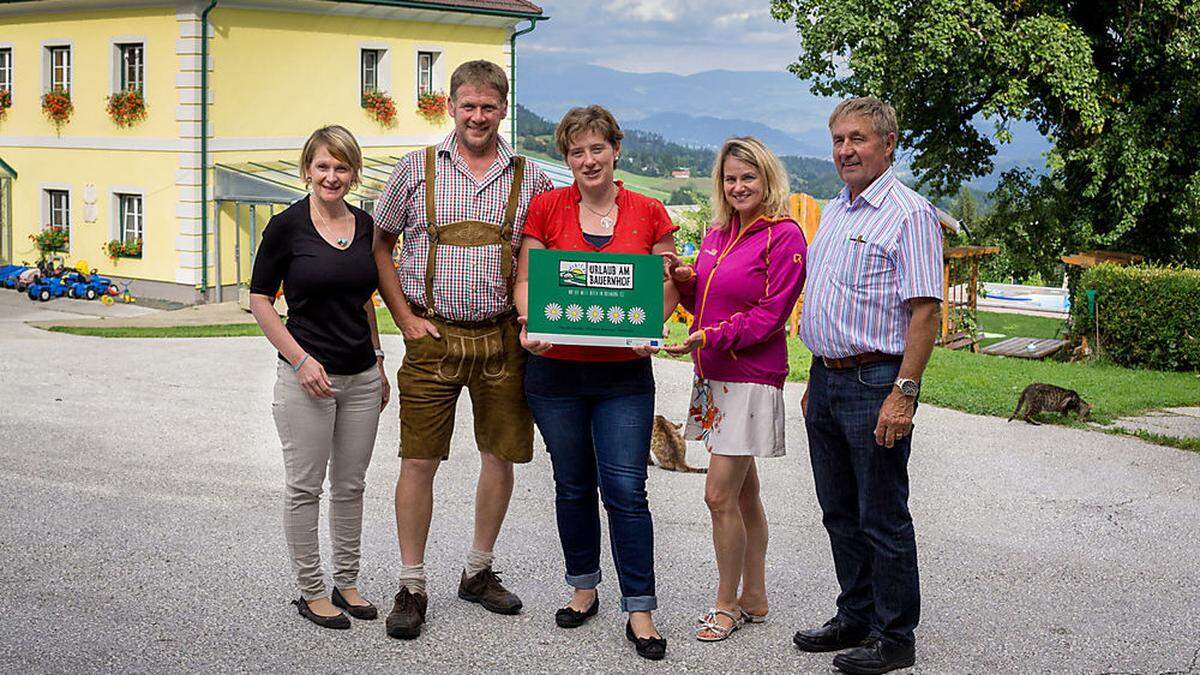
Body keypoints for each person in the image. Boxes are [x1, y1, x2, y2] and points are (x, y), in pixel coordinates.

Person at [371, 59, 553, 640]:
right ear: (451, 106)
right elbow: (379, 243)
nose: (478, 116)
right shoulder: (414, 170)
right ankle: (411, 583)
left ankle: (477, 571)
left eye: (489, 106)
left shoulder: (534, 180)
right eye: (468, 106)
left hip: (503, 336)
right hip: (433, 334)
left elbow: (547, 258)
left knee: (500, 456)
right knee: (418, 459)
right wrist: (402, 316)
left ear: (504, 108)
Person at [513, 105, 678, 661]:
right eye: (576, 151)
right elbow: (527, 282)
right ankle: (584, 587)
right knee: (573, 484)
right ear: (566, 158)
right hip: (554, 371)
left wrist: (651, 327)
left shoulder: (650, 211)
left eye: (597, 149)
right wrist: (529, 325)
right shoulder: (545, 208)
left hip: (623, 377)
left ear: (615, 150)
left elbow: (666, 283)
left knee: (627, 491)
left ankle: (641, 608)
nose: (588, 160)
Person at [793, 97, 943, 674]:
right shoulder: (835, 210)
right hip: (828, 380)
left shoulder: (909, 214)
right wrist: (817, 375)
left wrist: (903, 392)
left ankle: (894, 637)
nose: (845, 151)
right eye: (837, 140)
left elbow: (925, 313)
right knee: (838, 511)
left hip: (877, 378)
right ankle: (854, 615)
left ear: (887, 145)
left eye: (857, 139)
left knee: (881, 513)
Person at [664, 137, 807, 642]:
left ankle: (727, 605)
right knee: (744, 493)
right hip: (713, 376)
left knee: (718, 493)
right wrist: (682, 280)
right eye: (730, 178)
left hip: (750, 378)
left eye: (748, 177)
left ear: (767, 179)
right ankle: (755, 593)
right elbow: (702, 293)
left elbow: (771, 315)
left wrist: (712, 335)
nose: (738, 185)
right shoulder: (717, 233)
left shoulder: (784, 236)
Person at [249, 125, 389, 630]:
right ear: (307, 169)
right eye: (323, 166)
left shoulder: (366, 225)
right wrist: (301, 360)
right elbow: (260, 300)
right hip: (307, 377)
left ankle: (346, 582)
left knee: (351, 486)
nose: (332, 176)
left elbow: (363, 300)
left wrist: (377, 357)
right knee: (305, 487)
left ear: (354, 172)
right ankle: (310, 591)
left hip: (361, 376)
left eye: (342, 166)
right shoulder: (286, 227)